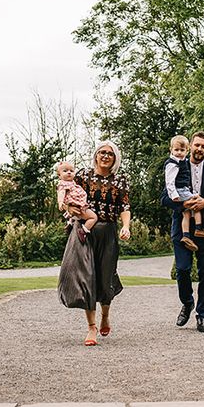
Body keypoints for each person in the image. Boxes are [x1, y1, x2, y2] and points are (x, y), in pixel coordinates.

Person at [57, 141, 131, 346]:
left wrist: (126, 226)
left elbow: (125, 206)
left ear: (115, 158)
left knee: (106, 277)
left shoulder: (121, 179)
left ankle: (105, 315)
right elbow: (66, 193)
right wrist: (69, 209)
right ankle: (91, 328)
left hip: (107, 231)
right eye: (102, 152)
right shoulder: (82, 175)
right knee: (85, 277)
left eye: (110, 153)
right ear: (96, 155)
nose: (105, 156)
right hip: (83, 231)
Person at [161, 131, 204, 333]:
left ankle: (202, 316)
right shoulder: (176, 164)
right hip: (182, 228)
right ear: (190, 145)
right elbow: (164, 197)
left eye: (203, 146)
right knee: (182, 269)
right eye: (196, 145)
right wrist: (183, 204)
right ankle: (187, 302)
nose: (199, 149)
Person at [163, 135, 204, 252]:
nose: (179, 153)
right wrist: (174, 196)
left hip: (183, 190)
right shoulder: (173, 164)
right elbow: (169, 183)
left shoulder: (183, 161)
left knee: (187, 213)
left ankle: (186, 236)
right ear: (171, 149)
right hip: (180, 191)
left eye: (182, 150)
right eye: (176, 150)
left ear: (187, 150)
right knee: (197, 201)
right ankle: (199, 228)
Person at [56, 160, 98, 243]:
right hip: (78, 206)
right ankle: (83, 231)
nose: (69, 173)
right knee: (93, 217)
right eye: (65, 171)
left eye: (71, 171)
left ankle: (70, 223)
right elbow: (61, 193)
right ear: (59, 175)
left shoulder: (72, 183)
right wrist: (60, 202)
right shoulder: (63, 184)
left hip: (77, 205)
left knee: (75, 215)